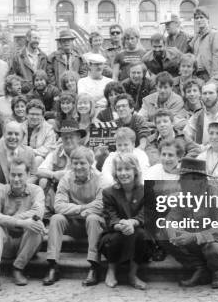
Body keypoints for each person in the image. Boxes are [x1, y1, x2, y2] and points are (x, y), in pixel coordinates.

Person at [162, 158, 218, 289]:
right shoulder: (184, 197)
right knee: (162, 231)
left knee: (212, 248)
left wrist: (194, 236)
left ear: (202, 181)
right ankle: (199, 268)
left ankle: (217, 271)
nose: (181, 182)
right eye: (182, 178)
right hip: (197, 243)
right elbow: (171, 219)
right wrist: (173, 232)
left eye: (187, 178)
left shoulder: (216, 197)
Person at [0, 158, 46, 296]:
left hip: (27, 244)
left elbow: (38, 212)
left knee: (37, 225)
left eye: (20, 175)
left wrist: (8, 219)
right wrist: (20, 222)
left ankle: (18, 268)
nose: (16, 179)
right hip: (5, 243)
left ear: (27, 175)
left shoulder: (36, 190)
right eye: (13, 174)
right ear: (8, 175)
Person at [43, 147, 106, 286]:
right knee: (56, 218)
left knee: (93, 218)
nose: (78, 167)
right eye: (75, 163)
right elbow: (58, 205)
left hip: (93, 224)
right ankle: (53, 265)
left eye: (82, 163)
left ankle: (94, 266)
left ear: (90, 163)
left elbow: (101, 204)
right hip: (74, 223)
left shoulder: (100, 178)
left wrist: (78, 210)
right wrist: (82, 209)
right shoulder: (67, 178)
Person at [100, 153, 152, 290]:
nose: (123, 173)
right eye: (119, 169)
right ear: (115, 173)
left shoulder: (146, 191)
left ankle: (133, 274)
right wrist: (121, 225)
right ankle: (111, 271)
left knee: (141, 234)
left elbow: (146, 214)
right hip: (115, 234)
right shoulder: (108, 192)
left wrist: (132, 223)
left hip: (137, 233)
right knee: (117, 236)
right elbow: (110, 217)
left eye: (127, 169)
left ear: (135, 171)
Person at [37, 119, 86, 214]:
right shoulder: (55, 153)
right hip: (58, 192)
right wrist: (54, 174)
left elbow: (94, 175)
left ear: (78, 137)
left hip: (79, 190)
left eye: (71, 137)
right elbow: (38, 171)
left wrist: (71, 176)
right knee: (43, 180)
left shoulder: (86, 153)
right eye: (65, 137)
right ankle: (47, 212)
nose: (68, 140)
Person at [0, 121, 36, 192]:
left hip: (22, 193)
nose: (13, 137)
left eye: (17, 134)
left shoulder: (29, 151)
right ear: (4, 134)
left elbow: (34, 175)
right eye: (9, 133)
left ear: (22, 136)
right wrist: (6, 189)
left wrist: (21, 186)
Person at [183, 80, 218, 145]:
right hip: (202, 153)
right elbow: (185, 136)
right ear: (201, 96)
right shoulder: (197, 116)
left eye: (211, 93)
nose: (207, 97)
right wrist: (194, 147)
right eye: (205, 93)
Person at [188, 7, 218, 80]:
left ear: (207, 19)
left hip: (208, 74)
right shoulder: (196, 37)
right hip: (196, 74)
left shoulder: (214, 34)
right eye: (196, 18)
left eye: (201, 17)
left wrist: (215, 76)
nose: (199, 20)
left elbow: (217, 56)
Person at [10, 29, 48, 94]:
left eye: (39, 39)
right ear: (28, 38)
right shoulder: (18, 56)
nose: (37, 41)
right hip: (24, 93)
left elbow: (47, 76)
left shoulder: (43, 56)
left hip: (40, 94)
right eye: (35, 38)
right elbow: (13, 76)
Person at [25, 99, 57, 168]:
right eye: (32, 114)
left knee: (38, 159)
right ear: (27, 114)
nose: (34, 117)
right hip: (21, 159)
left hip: (40, 164)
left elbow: (47, 150)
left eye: (38, 114)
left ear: (42, 116)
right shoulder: (20, 127)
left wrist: (29, 151)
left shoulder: (49, 129)